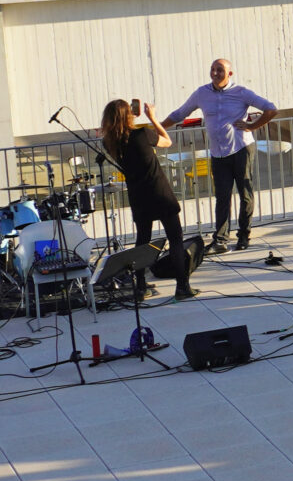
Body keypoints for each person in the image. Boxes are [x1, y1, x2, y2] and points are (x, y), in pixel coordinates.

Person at [162, 58, 276, 251]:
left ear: (229, 74)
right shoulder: (202, 93)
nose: (215, 73)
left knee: (245, 194)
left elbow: (271, 109)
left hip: (241, 149)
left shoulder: (241, 92)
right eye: (213, 69)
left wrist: (252, 126)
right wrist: (156, 128)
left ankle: (244, 235)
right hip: (218, 153)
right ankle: (220, 239)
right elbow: (180, 114)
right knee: (222, 197)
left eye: (220, 70)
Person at [103, 99, 195, 300]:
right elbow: (166, 141)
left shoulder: (110, 142)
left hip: (138, 195)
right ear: (129, 115)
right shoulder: (141, 134)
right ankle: (182, 286)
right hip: (158, 191)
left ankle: (141, 287)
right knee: (175, 239)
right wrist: (152, 117)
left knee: (142, 241)